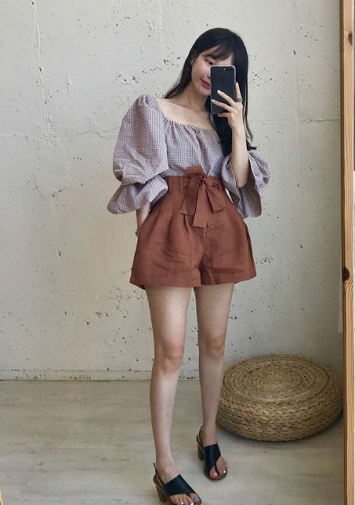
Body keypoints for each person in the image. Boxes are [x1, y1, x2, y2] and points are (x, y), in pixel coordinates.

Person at [108, 28, 269, 505]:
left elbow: (239, 179)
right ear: (193, 58)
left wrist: (236, 126)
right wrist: (146, 237)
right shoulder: (151, 110)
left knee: (215, 341)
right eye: (208, 59)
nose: (210, 71)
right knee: (171, 351)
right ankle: (164, 466)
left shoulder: (223, 123)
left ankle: (208, 434)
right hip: (170, 229)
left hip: (221, 225)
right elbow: (142, 178)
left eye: (224, 68)